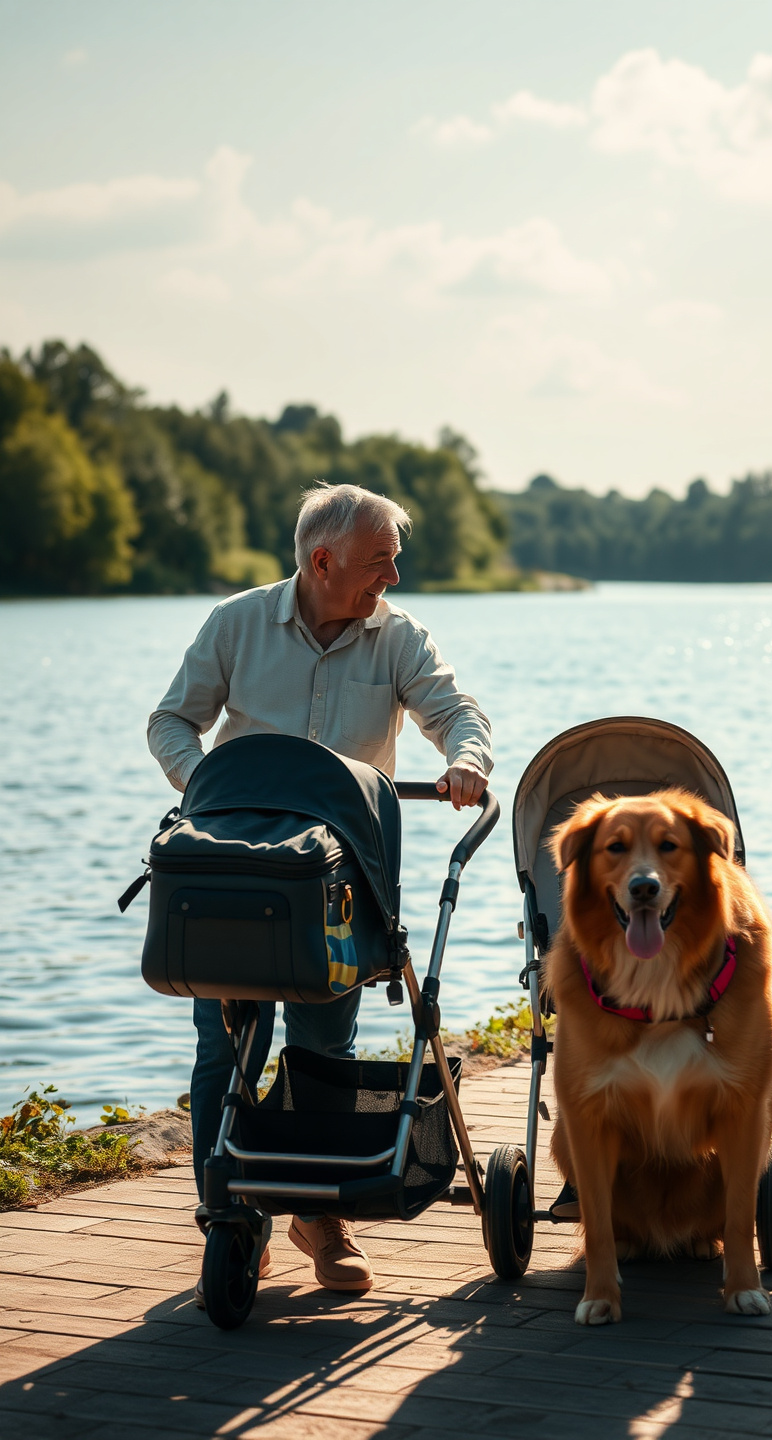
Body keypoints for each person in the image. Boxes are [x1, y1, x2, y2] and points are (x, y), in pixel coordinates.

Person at [148, 482, 493, 1295]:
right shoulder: (237, 623)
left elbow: (455, 710)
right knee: (223, 1050)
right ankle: (227, 1215)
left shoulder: (397, 636)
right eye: (381, 562)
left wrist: (467, 760)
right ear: (323, 560)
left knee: (323, 1051)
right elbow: (171, 722)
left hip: (342, 878)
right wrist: (211, 789)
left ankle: (318, 1216)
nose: (394, 578)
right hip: (235, 867)